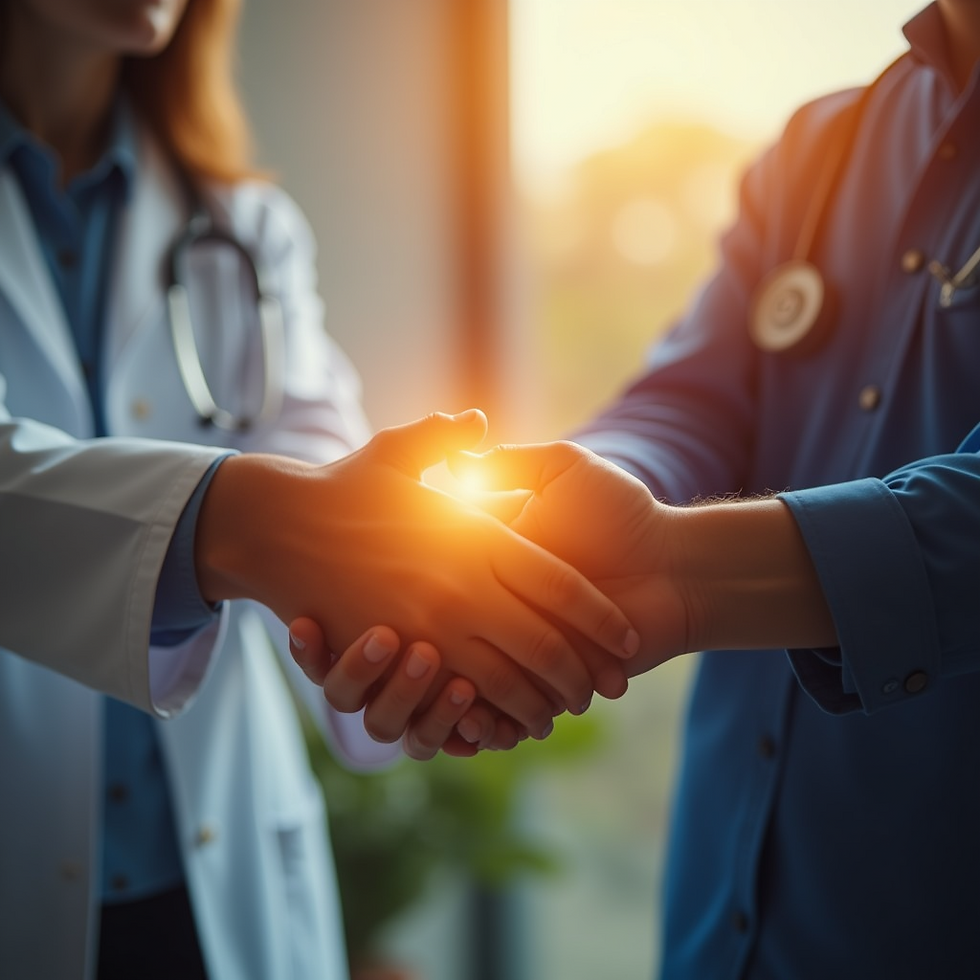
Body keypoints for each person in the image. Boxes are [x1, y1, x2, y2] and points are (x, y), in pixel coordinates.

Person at [306, 2, 980, 976]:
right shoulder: (821, 148)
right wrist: (552, 525)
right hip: (723, 921)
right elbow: (686, 401)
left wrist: (677, 569)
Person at [0, 1, 641, 977]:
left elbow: (338, 497)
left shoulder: (245, 232)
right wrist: (255, 526)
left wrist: (421, 646)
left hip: (216, 892)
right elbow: (299, 518)